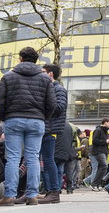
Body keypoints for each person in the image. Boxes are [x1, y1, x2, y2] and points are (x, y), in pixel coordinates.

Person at [0, 47, 56, 207]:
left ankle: (9, 196)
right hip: (36, 121)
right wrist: (42, 118)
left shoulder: (8, 77)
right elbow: (52, 104)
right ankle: (32, 196)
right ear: (36, 60)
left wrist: (4, 118)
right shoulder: (45, 79)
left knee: (13, 158)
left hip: (13, 119)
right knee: (33, 158)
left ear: (20, 58)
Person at [35, 64, 67, 204]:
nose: (40, 75)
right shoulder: (48, 88)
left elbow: (60, 107)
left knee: (48, 160)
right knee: (43, 161)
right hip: (45, 128)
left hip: (50, 129)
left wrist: (42, 106)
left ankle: (54, 191)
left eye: (43, 72)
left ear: (50, 74)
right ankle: (49, 191)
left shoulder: (58, 89)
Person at [91, 118, 109, 191]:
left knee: (102, 167)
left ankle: (98, 184)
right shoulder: (98, 130)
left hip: (104, 151)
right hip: (99, 151)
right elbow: (95, 141)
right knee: (104, 166)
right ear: (105, 123)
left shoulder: (105, 132)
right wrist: (106, 141)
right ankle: (94, 184)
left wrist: (108, 141)